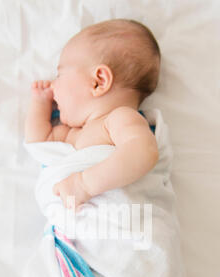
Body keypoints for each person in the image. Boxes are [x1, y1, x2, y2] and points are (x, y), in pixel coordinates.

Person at [25, 18, 161, 211]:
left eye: (59, 75)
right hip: (78, 233)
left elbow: (143, 153)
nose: (53, 85)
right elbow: (39, 142)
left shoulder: (120, 119)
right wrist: (40, 103)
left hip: (124, 226)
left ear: (98, 81)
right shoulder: (73, 134)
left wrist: (84, 185)